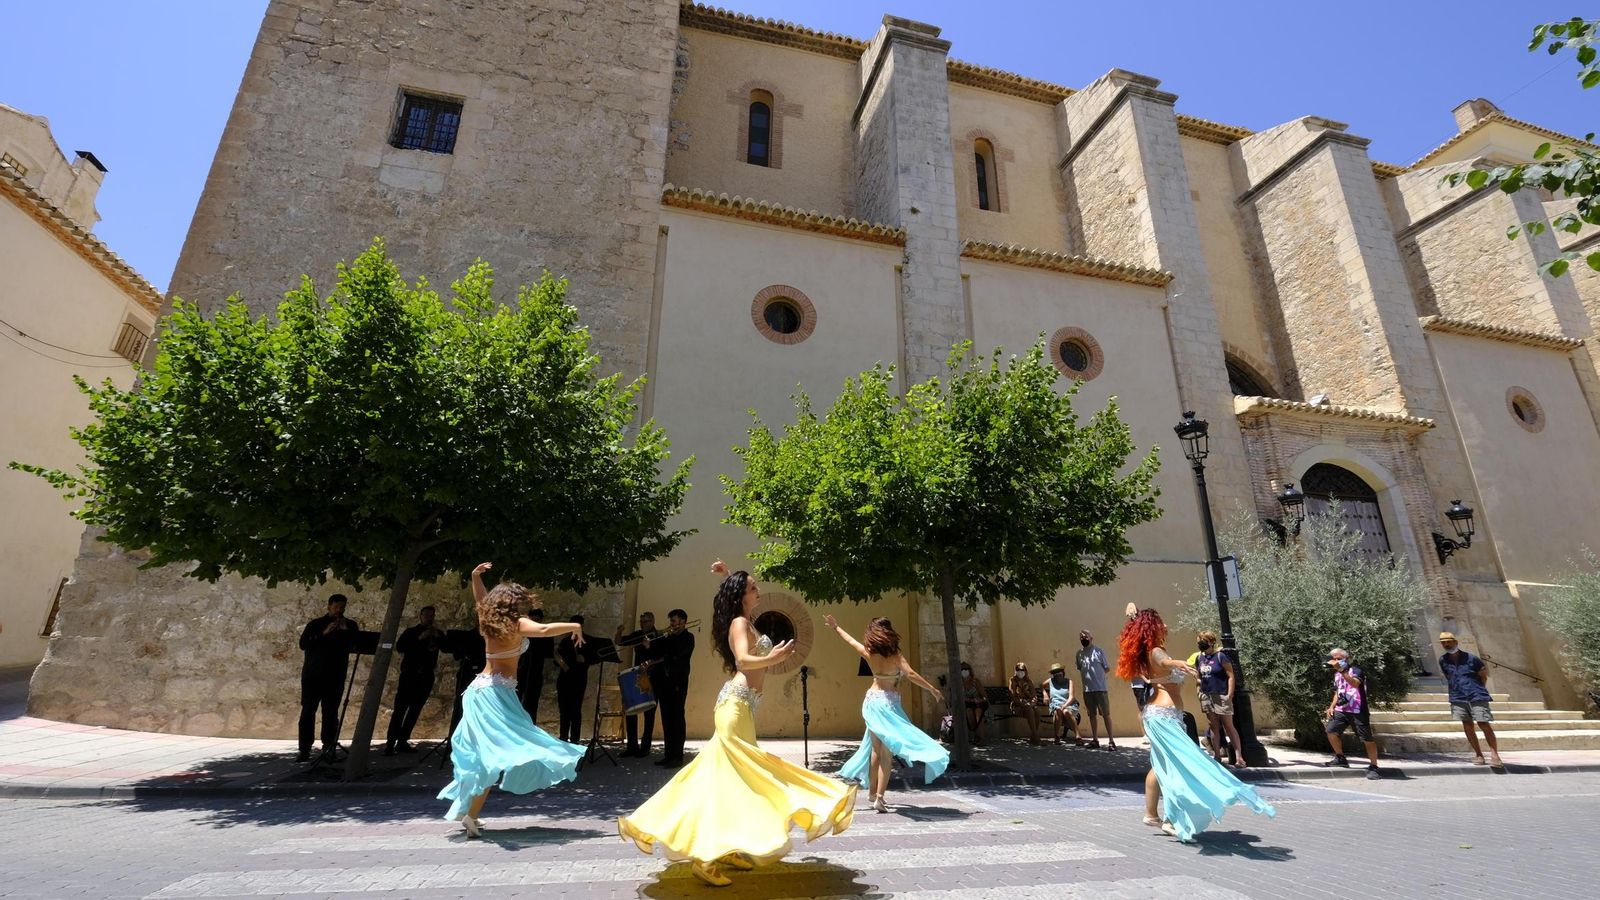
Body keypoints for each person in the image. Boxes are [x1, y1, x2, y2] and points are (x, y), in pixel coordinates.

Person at [619, 560, 855, 887]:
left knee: (735, 783)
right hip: (734, 706)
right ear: (742, 596)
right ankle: (704, 857)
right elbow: (744, 660)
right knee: (732, 779)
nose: (758, 590)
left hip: (744, 708)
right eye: (754, 587)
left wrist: (729, 573)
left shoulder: (748, 622)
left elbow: (740, 607)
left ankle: (725, 848)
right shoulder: (739, 624)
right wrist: (774, 658)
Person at [438, 562, 586, 838]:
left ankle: (471, 814)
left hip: (478, 692)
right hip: (495, 694)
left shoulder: (488, 619)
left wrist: (474, 576)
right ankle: (470, 814)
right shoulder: (517, 624)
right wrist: (574, 625)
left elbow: (480, 598)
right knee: (505, 750)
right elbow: (543, 631)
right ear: (513, 603)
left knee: (486, 756)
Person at [1117, 606, 1274, 843]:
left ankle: (1150, 814)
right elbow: (1165, 661)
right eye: (1161, 623)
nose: (1166, 626)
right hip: (1164, 716)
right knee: (1182, 764)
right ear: (1153, 628)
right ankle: (1171, 818)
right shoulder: (1157, 651)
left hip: (1160, 714)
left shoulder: (1149, 651)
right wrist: (1177, 663)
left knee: (1161, 764)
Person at [826, 614, 948, 812]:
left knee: (876, 749)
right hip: (888, 704)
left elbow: (850, 641)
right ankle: (880, 798)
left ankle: (873, 793)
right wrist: (932, 689)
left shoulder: (869, 652)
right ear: (889, 634)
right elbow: (911, 674)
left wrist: (836, 627)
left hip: (871, 701)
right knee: (886, 753)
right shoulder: (895, 656)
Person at [297, 594, 360, 763]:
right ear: (329, 606)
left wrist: (346, 630)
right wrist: (325, 633)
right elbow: (304, 644)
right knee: (308, 712)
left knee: (331, 713)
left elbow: (356, 644)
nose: (339, 610)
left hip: (336, 675)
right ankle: (304, 750)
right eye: (336, 607)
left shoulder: (350, 625)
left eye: (342, 607)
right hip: (313, 675)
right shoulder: (315, 624)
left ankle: (329, 747)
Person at [384, 605, 443, 755]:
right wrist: (419, 639)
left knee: (414, 710)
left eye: (432, 616)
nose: (429, 618)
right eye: (427, 615)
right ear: (420, 616)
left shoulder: (437, 633)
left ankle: (403, 741)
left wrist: (438, 637)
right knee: (400, 709)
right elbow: (400, 647)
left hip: (426, 676)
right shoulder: (411, 632)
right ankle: (390, 743)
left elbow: (446, 647)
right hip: (409, 675)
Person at [1438, 632, 1502, 768]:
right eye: (1443, 642)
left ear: (1455, 642)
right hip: (1457, 696)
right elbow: (1448, 676)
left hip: (1476, 694)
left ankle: (1495, 755)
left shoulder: (1472, 658)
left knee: (1484, 723)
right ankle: (1478, 754)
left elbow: (1483, 676)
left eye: (1448, 641)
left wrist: (1477, 689)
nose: (1446, 644)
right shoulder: (1443, 660)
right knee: (1467, 725)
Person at [1323, 646, 1382, 780]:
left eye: (1339, 659)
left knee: (1366, 738)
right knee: (1331, 731)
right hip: (1341, 709)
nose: (1336, 661)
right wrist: (1332, 706)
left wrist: (1343, 671)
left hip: (1357, 709)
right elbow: (1337, 691)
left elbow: (1355, 684)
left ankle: (1374, 766)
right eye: (1334, 659)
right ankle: (1340, 757)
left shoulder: (1355, 670)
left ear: (1346, 659)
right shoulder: (1336, 674)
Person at [652, 608, 695, 768]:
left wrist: (669, 638)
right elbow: (657, 654)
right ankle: (668, 755)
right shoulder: (667, 638)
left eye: (674, 621)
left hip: (678, 682)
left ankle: (678, 756)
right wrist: (651, 644)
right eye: (671, 621)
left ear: (683, 622)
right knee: (666, 719)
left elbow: (680, 656)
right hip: (664, 682)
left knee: (677, 719)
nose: (671, 624)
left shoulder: (688, 638)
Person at [1194, 631, 1244, 768]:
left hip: (1221, 694)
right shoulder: (1199, 658)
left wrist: (1230, 694)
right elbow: (1199, 677)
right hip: (1206, 695)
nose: (1200, 644)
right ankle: (1217, 756)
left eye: (1203, 641)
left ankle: (1239, 757)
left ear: (1211, 642)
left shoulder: (1220, 656)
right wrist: (1198, 690)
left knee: (1228, 726)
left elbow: (1230, 676)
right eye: (1199, 641)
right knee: (1213, 726)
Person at [616, 611, 660, 758]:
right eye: (641, 621)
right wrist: (619, 631)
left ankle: (645, 748)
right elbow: (619, 642)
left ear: (653, 621)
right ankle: (632, 747)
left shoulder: (659, 635)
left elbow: (661, 656)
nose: (643, 624)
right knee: (631, 710)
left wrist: (648, 648)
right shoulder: (637, 635)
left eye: (646, 621)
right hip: (638, 676)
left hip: (652, 676)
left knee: (649, 714)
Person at [1075, 631, 1116, 750]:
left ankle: (1111, 741)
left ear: (1091, 638)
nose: (1083, 639)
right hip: (1087, 690)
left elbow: (1107, 668)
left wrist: (1098, 678)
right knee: (1091, 715)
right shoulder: (1079, 654)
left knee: (1105, 715)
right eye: (1081, 637)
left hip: (1100, 689)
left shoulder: (1099, 651)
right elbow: (1080, 668)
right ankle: (1095, 740)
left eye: (1085, 637)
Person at [554, 614, 591, 744]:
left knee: (575, 711)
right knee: (564, 711)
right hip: (564, 679)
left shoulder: (586, 641)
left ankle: (575, 741)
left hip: (579, 679)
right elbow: (557, 659)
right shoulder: (565, 641)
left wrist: (584, 660)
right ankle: (563, 738)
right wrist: (561, 661)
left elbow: (592, 659)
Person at [516, 605, 554, 726]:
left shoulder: (545, 637)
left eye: (537, 621)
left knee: (531, 704)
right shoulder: (521, 634)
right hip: (519, 673)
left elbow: (549, 653)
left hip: (536, 673)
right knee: (515, 702)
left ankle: (530, 727)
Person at [1043, 663, 1082, 745]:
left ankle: (1078, 736)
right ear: (1053, 674)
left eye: (1059, 672)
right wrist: (1045, 694)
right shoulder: (1050, 681)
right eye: (1055, 673)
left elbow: (1071, 697)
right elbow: (1042, 686)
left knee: (1066, 712)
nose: (1058, 674)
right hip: (1056, 705)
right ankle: (1056, 736)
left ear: (1063, 672)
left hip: (1069, 704)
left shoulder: (1069, 681)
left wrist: (1065, 706)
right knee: (1058, 710)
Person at [1008, 662, 1043, 745]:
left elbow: (1034, 696)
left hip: (1029, 705)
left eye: (1022, 670)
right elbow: (1013, 696)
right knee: (1030, 710)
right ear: (1015, 671)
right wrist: (1023, 703)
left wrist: (1032, 702)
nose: (1020, 672)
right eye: (1018, 670)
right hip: (1017, 706)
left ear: (1025, 671)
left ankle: (1033, 736)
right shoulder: (1013, 680)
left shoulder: (1029, 681)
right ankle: (1035, 737)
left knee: (1037, 711)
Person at [960, 662, 988, 745]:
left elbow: (985, 697)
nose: (964, 671)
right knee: (969, 712)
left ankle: (981, 738)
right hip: (967, 704)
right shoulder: (959, 683)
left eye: (966, 669)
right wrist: (969, 700)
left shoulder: (976, 682)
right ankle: (977, 735)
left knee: (979, 712)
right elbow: (959, 697)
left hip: (979, 704)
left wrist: (979, 699)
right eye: (962, 669)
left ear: (970, 671)